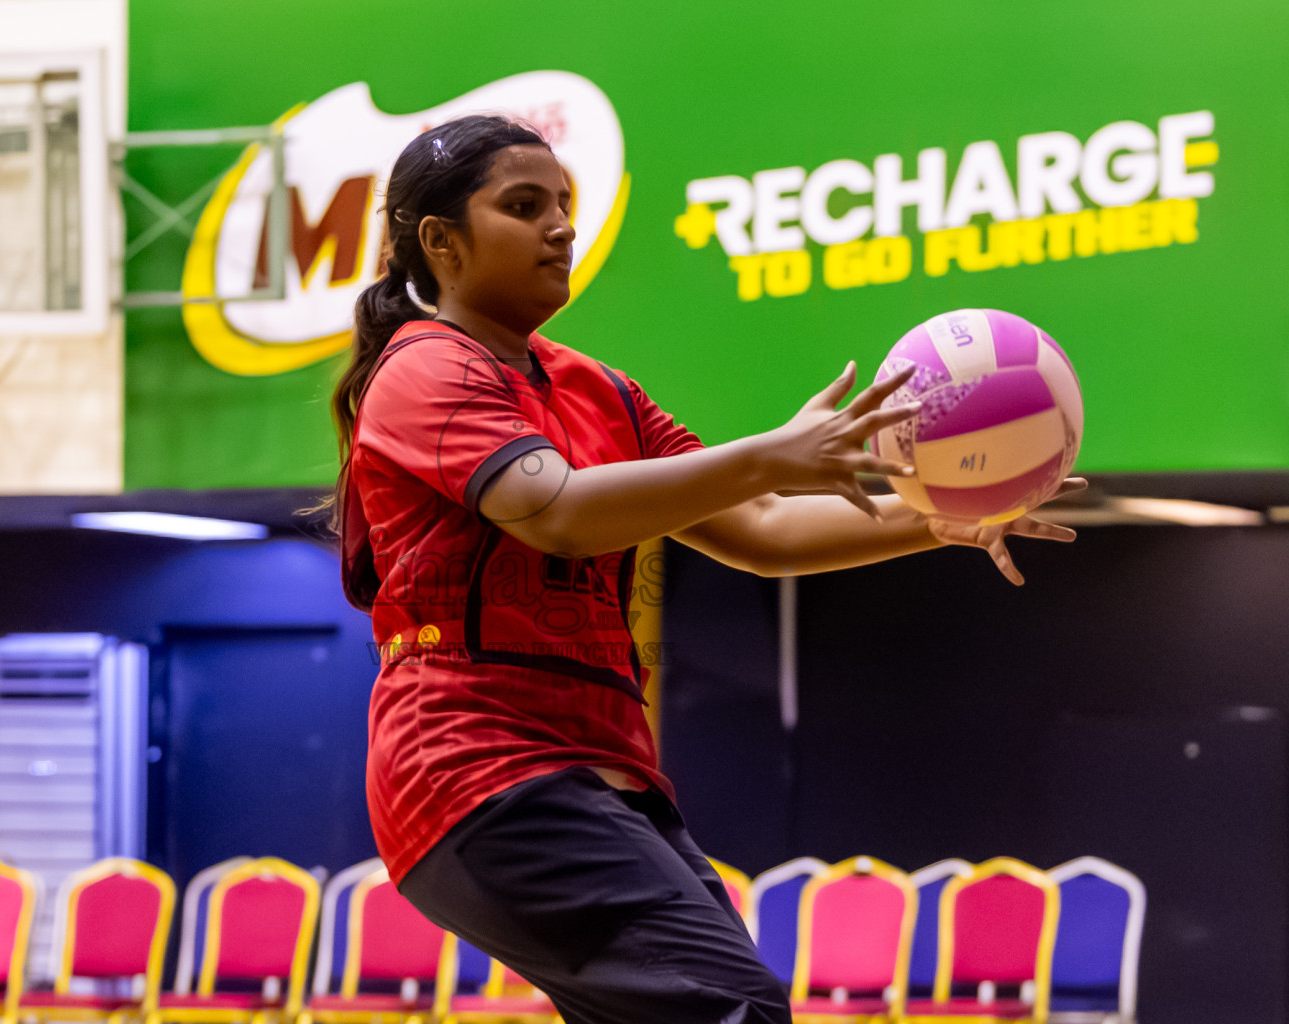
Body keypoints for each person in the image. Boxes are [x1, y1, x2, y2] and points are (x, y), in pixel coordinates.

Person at [326, 115, 1082, 1024]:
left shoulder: (601, 389)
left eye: (565, 203)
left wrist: (940, 520)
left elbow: (763, 530)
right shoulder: (424, 370)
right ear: (440, 243)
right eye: (524, 207)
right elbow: (556, 511)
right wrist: (767, 452)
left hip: (600, 767)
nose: (562, 225)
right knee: (733, 1006)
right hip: (472, 767)